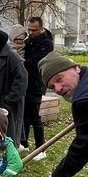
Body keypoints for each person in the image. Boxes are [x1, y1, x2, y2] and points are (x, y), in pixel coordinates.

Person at [0, 29, 27, 150]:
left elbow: (22, 80)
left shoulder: (12, 57)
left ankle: (11, 155)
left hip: (8, 103)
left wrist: (9, 100)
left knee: (9, 130)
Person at [22, 16, 54, 150]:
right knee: (24, 115)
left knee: (34, 116)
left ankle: (40, 147)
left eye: (34, 30)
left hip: (36, 84)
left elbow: (39, 63)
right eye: (29, 30)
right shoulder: (29, 40)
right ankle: (24, 144)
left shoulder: (47, 43)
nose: (30, 32)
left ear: (41, 28)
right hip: (26, 82)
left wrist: (23, 61)